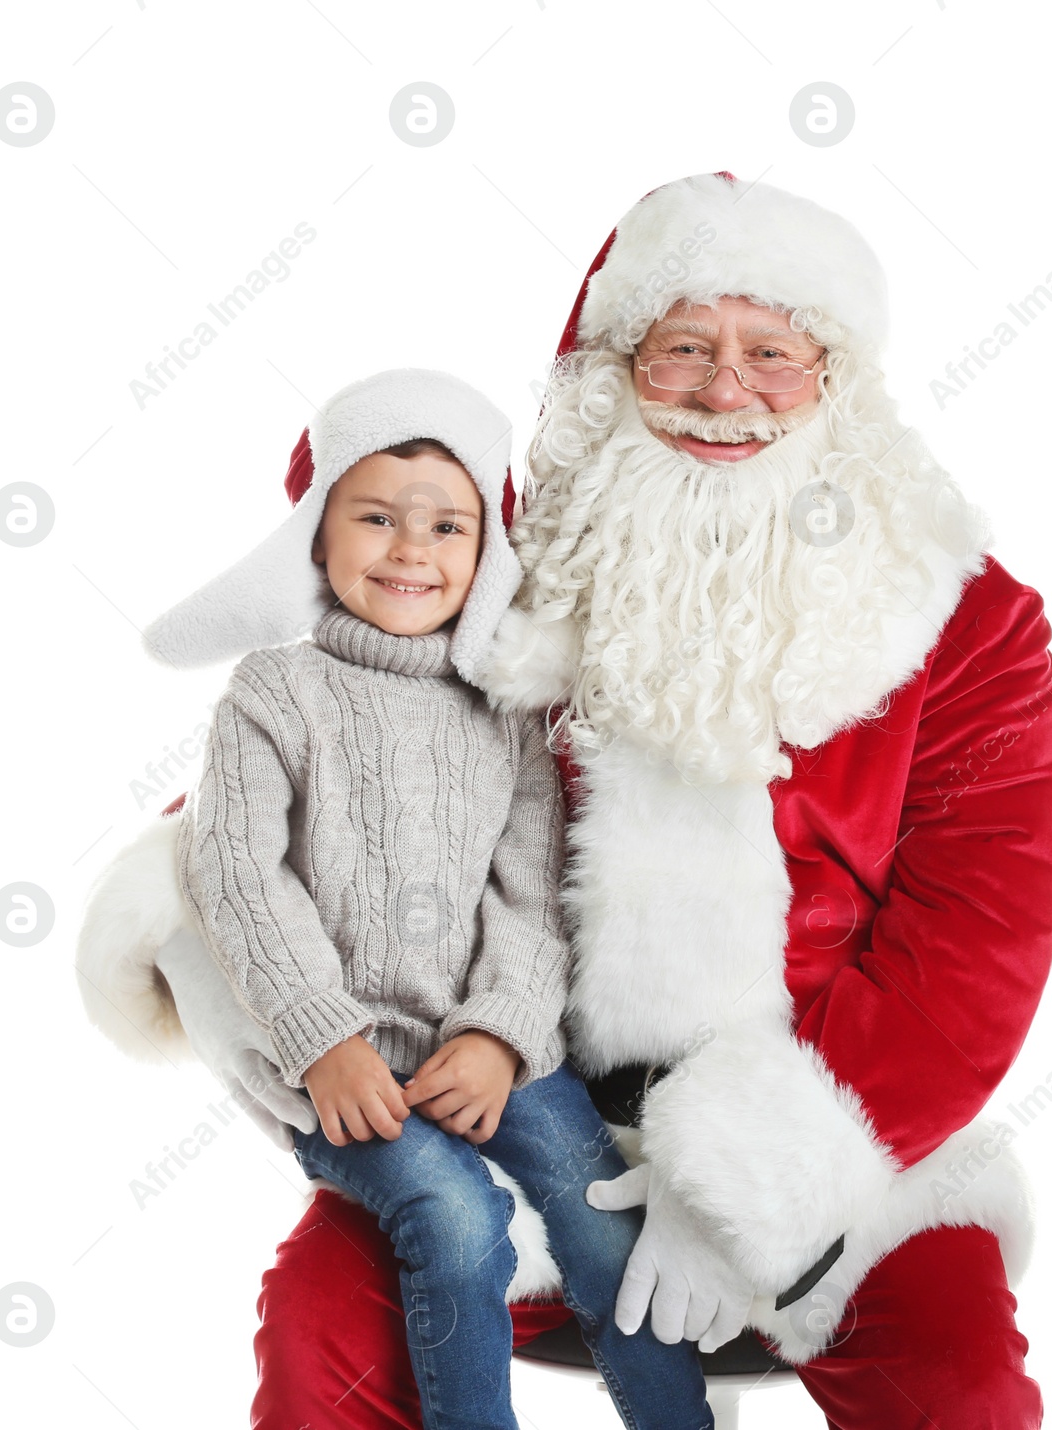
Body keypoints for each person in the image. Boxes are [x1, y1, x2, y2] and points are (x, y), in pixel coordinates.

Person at [80, 174, 1052, 1429]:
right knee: (322, 1336)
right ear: (615, 367)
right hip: (511, 1111)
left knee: (962, 1389)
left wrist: (757, 1187)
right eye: (684, 351)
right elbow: (312, 761)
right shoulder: (499, 580)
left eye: (772, 352)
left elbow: (975, 946)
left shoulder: (963, 619)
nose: (726, 393)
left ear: (836, 378)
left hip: (848, 1143)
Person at [87, 368, 714, 1430]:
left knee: (604, 1221)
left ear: (485, 554)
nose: (411, 551)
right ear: (319, 539)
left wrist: (502, 1034)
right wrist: (322, 1035)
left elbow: (532, 895)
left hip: (488, 1048)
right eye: (376, 517)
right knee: (458, 1217)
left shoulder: (502, 711)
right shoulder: (273, 694)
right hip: (348, 1063)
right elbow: (234, 872)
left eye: (446, 526)